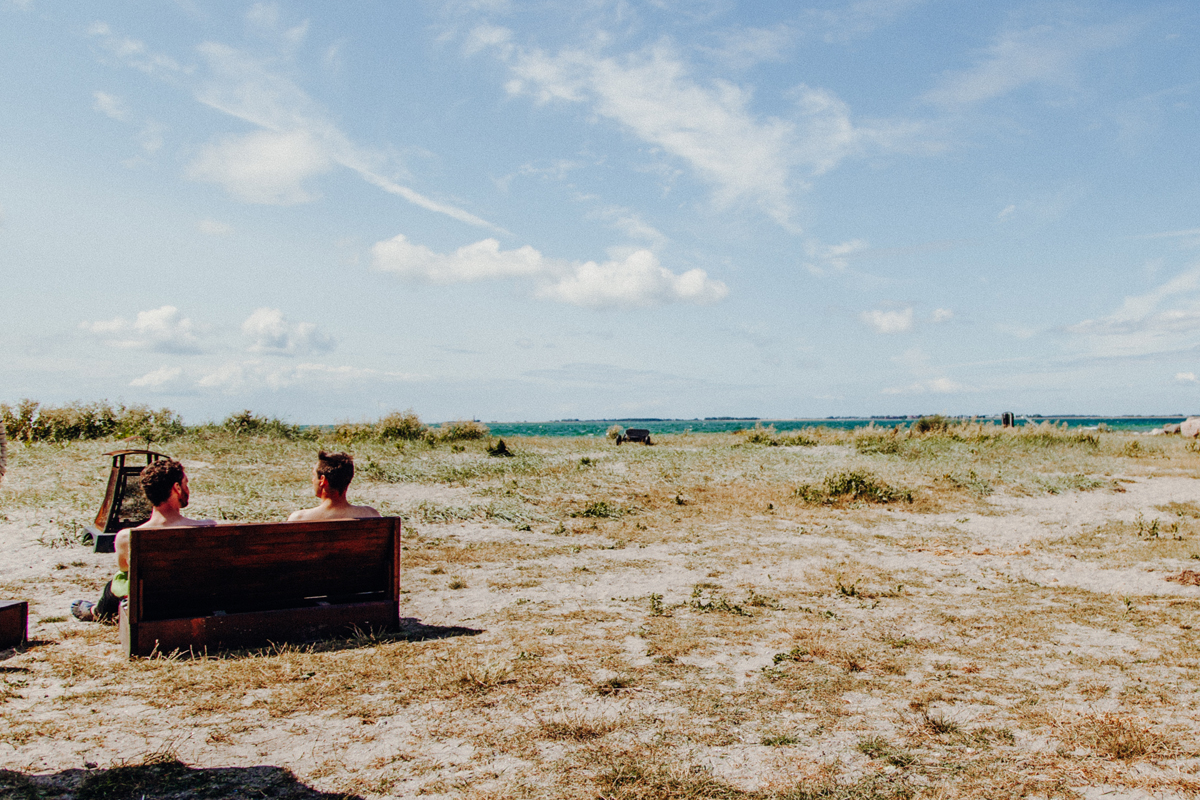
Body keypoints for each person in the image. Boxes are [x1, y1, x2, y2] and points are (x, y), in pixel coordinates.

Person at [72, 458, 215, 622]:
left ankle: (96, 612)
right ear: (177, 488)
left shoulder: (127, 537)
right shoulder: (208, 527)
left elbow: (125, 569)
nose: (187, 489)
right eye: (185, 484)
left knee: (118, 581)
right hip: (196, 605)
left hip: (150, 609)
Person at [288, 450, 380, 521]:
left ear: (323, 480)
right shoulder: (371, 514)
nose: (312, 480)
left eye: (314, 476)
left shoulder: (299, 519)